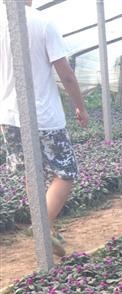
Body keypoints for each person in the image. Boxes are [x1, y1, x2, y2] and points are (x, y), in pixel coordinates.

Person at [0, 0, 89, 256]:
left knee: (33, 170)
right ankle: (41, 225)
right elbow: (67, 74)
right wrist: (81, 107)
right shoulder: (42, 23)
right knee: (66, 173)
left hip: (9, 114)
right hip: (44, 116)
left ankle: (45, 227)